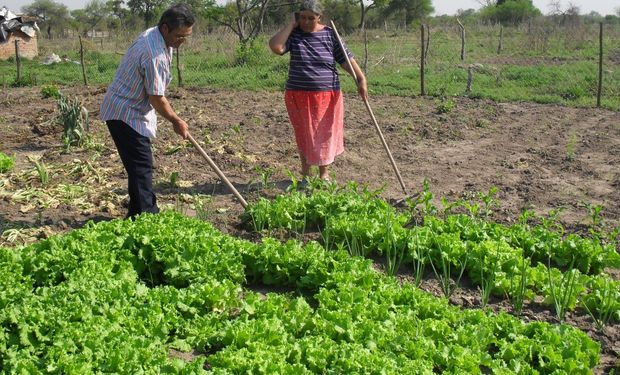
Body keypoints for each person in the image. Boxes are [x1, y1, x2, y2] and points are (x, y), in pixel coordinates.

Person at [100, 4, 194, 218]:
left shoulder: (154, 35)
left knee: (138, 167)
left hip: (130, 108)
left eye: (186, 36)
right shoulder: (154, 54)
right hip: (125, 112)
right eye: (179, 36)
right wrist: (176, 120)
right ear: (165, 28)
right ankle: (147, 217)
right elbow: (156, 98)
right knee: (141, 166)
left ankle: (136, 214)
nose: (182, 41)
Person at [268, 0, 367, 181]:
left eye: (311, 18)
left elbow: (346, 60)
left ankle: (324, 174)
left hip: (327, 95)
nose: (306, 22)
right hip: (298, 94)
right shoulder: (294, 34)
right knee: (304, 134)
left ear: (319, 17)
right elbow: (276, 47)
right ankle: (305, 174)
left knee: (324, 133)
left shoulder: (330, 35)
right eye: (303, 17)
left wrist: (360, 79)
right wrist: (291, 24)